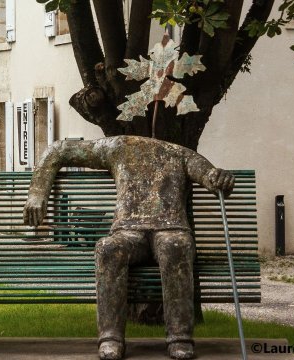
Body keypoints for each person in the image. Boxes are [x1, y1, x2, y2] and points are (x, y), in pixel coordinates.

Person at [23, 136, 234, 360]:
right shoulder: (119, 147)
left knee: (175, 245)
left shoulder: (182, 154)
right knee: (108, 248)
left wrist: (219, 178)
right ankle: (110, 337)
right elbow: (60, 150)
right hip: (129, 231)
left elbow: (211, 178)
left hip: (171, 228)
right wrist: (37, 193)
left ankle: (180, 338)